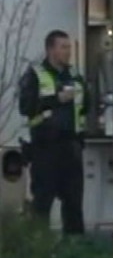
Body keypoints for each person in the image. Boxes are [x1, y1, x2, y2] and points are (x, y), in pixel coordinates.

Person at [18, 29, 89, 235]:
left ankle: (75, 252)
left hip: (71, 147)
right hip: (45, 148)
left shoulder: (75, 75)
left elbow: (86, 104)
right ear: (51, 49)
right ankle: (39, 253)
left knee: (74, 203)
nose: (68, 52)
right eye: (63, 47)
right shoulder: (36, 74)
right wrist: (56, 100)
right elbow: (26, 107)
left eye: (69, 47)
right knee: (43, 203)